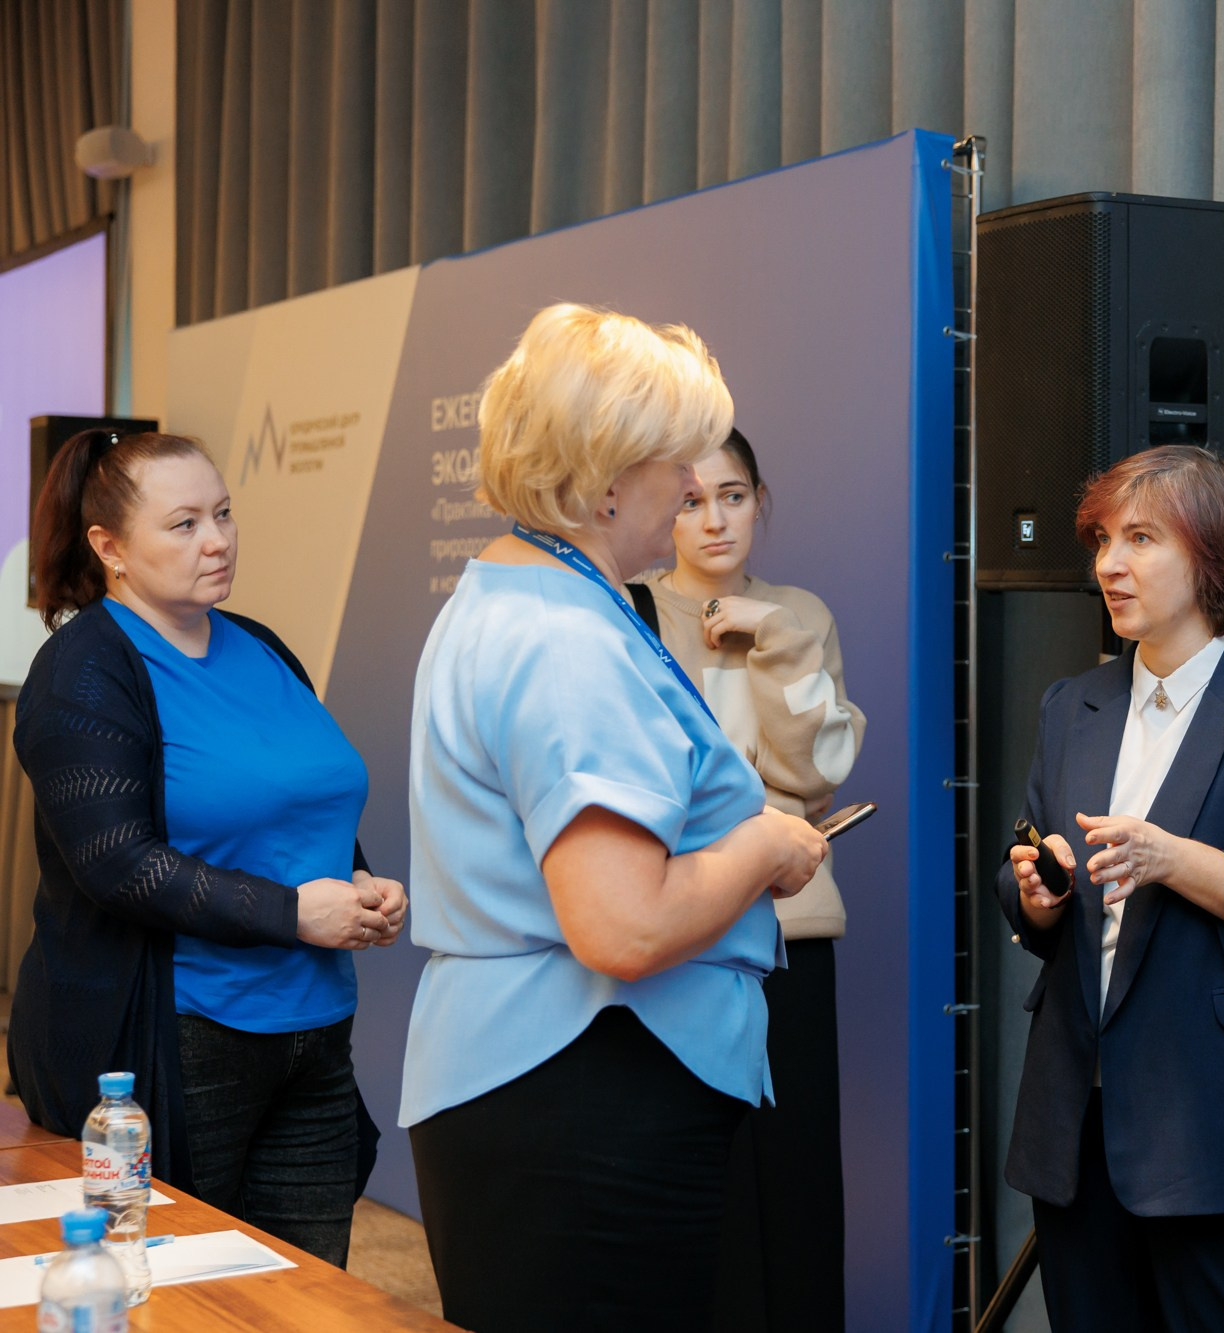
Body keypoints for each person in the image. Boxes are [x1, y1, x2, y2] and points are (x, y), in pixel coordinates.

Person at [401, 303, 829, 1333]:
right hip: (585, 1095)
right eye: (676, 463)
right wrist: (764, 842)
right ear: (602, 483)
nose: (691, 489)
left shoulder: (519, 596)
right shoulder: (568, 643)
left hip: (544, 1088)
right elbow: (623, 927)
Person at [995, 444, 1224, 1333]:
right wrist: (1036, 896)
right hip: (1076, 1126)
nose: (1108, 565)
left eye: (1140, 538)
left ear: (1214, 555)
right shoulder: (1072, 704)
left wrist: (1176, 860)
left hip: (1219, 1126)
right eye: (1102, 541)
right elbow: (1029, 877)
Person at [9, 428, 404, 1266]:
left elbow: (298, 800)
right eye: (184, 523)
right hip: (185, 1039)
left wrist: (360, 879)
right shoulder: (84, 670)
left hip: (314, 1031)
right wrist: (295, 912)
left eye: (223, 514)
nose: (217, 540)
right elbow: (118, 862)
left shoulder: (261, 645)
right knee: (188, 1286)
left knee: (307, 1291)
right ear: (110, 548)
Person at [630, 428, 865, 1333]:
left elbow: (819, 770)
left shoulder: (798, 614)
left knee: (799, 1186)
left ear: (760, 501)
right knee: (707, 1186)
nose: (714, 520)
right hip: (684, 929)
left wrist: (773, 638)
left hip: (791, 936)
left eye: (732, 496)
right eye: (690, 501)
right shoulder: (633, 611)